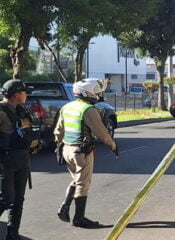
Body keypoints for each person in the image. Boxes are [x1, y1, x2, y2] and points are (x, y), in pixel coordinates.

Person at [53, 78, 118, 228]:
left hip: (67, 150)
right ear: (88, 93)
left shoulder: (67, 107)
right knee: (83, 183)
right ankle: (79, 218)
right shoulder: (88, 110)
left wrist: (60, 145)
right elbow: (102, 132)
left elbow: (58, 131)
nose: (99, 94)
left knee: (76, 179)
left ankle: (65, 207)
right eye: (97, 91)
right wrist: (113, 145)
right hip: (82, 152)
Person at [0, 79, 40, 240]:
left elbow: (27, 132)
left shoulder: (20, 109)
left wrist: (35, 144)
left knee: (18, 200)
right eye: (24, 92)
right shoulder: (2, 111)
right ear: (16, 94)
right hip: (6, 161)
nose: (27, 95)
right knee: (6, 198)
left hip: (22, 159)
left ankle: (12, 233)